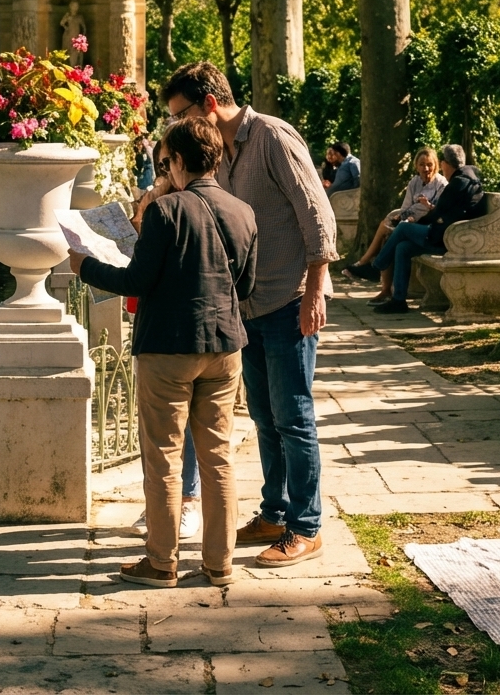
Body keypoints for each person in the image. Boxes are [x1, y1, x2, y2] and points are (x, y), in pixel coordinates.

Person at [162, 61, 338, 568]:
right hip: (249, 307)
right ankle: (275, 512)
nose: (178, 126)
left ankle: (307, 527)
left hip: (289, 301)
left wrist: (314, 291)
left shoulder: (273, 137)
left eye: (181, 115)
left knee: (294, 417)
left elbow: (318, 216)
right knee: (263, 417)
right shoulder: (220, 153)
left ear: (210, 105)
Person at [70, 118, 257, 588]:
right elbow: (247, 286)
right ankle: (219, 564)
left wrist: (84, 265)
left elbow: (135, 282)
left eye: (165, 161)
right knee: (218, 456)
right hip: (224, 346)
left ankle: (162, 561)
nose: (164, 168)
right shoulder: (243, 211)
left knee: (164, 457)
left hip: (168, 347)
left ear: (176, 161)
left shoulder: (166, 210)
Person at [127, 136, 202, 541]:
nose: (161, 174)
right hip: (151, 319)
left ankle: (188, 501)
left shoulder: (189, 205)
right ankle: (159, 502)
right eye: (157, 166)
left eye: (166, 165)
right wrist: (139, 218)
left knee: (186, 425)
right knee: (154, 425)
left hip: (182, 330)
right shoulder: (154, 204)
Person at [344, 144, 483, 315]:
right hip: (445, 234)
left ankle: (376, 267)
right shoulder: (465, 178)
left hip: (447, 238)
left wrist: (414, 223)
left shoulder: (457, 184)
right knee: (403, 248)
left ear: (445, 164)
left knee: (402, 230)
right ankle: (398, 301)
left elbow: (436, 214)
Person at [341, 147, 447, 306]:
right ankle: (393, 295)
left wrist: (427, 206)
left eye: (430, 164)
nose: (426, 169)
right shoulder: (414, 182)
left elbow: (440, 213)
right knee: (391, 234)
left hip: (428, 228)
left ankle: (370, 266)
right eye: (422, 165)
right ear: (416, 166)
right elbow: (405, 208)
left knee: (392, 232)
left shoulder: (441, 184)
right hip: (411, 224)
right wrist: (404, 217)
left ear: (436, 165)